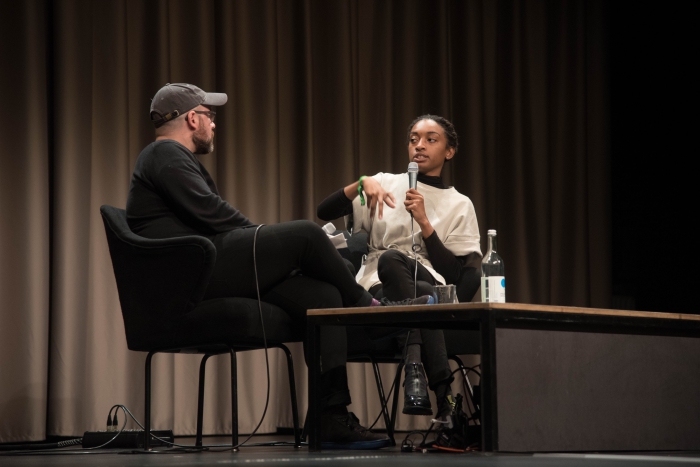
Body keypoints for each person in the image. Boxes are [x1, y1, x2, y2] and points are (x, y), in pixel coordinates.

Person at [126, 83, 431, 450]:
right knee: (304, 235)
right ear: (192, 118)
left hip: (204, 266)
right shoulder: (166, 155)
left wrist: (272, 253)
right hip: (190, 276)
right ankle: (370, 312)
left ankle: (329, 417)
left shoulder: (170, 158)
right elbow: (213, 214)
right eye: (210, 116)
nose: (214, 125)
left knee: (321, 295)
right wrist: (266, 241)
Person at [317, 115, 482, 449]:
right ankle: (445, 399)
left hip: (430, 285)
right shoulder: (385, 182)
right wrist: (360, 183)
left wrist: (424, 222)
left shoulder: (459, 204)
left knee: (416, 284)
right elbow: (323, 211)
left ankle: (417, 370)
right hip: (381, 288)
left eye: (430, 139)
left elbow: (458, 275)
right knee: (394, 263)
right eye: (413, 138)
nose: (419, 145)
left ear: (449, 151)